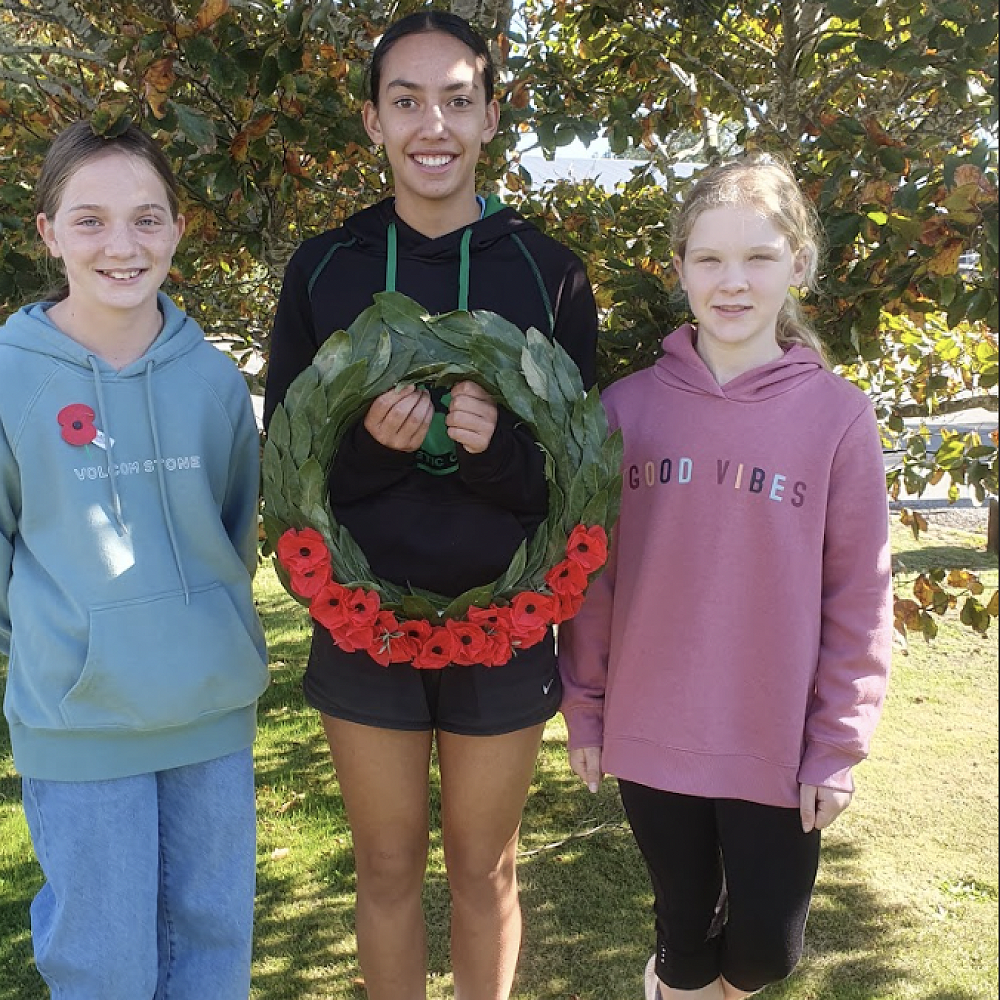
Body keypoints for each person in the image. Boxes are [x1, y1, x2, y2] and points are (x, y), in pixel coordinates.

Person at [264, 11, 597, 1000]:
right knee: (386, 866)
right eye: (406, 101)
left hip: (505, 622)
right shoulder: (326, 267)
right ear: (371, 121)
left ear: (492, 116)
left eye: (457, 99)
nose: (432, 124)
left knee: (486, 867)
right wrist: (371, 447)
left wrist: (490, 458)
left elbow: (576, 486)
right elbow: (291, 469)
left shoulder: (548, 271)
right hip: (365, 621)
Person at [558, 155, 893, 1000]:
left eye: (759, 258)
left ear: (800, 267)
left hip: (775, 742)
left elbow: (860, 594)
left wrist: (837, 744)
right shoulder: (625, 409)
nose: (732, 282)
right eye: (709, 259)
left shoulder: (839, 417)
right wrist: (586, 708)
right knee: (686, 932)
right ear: (679, 270)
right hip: (652, 727)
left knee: (764, 954)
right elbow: (590, 578)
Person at [0, 121, 268, 1000]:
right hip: (79, 721)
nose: (122, 245)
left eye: (147, 219)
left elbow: (231, 528)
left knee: (212, 948)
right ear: (47, 232)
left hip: (210, 712)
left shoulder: (216, 381)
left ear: (178, 230)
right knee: (104, 964)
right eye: (90, 220)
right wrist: (63, 646)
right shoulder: (9, 378)